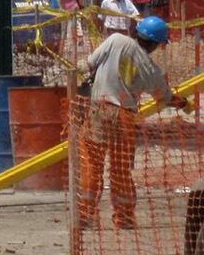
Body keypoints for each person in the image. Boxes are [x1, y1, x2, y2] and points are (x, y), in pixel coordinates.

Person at [77, 14, 192, 229]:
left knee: (91, 165)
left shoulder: (116, 40)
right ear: (157, 44)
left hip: (99, 111)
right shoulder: (151, 70)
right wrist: (184, 103)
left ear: (138, 32)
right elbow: (165, 98)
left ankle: (85, 216)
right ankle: (124, 218)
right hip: (124, 118)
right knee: (121, 170)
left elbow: (89, 64)